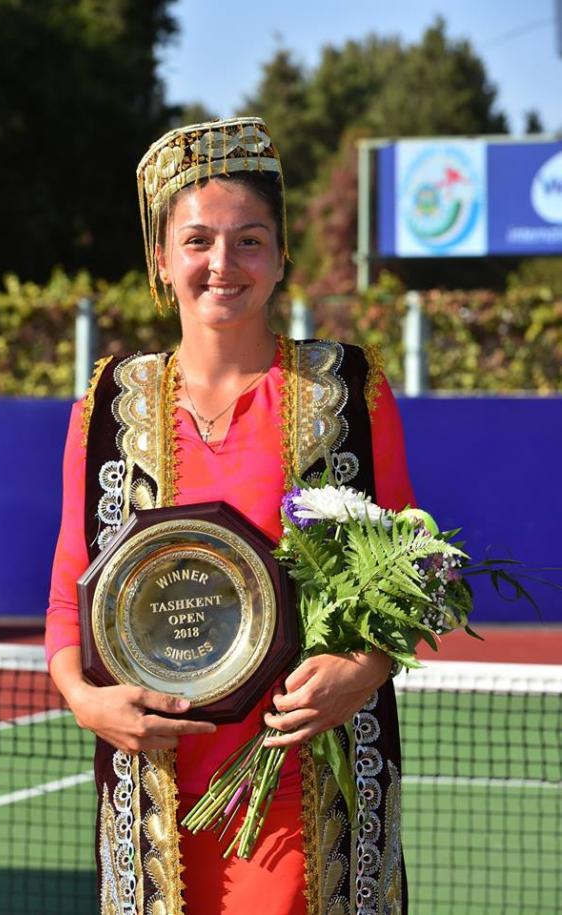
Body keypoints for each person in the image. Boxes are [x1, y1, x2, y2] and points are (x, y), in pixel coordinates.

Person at [46, 116, 415, 915]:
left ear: (282, 258)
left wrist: (361, 672)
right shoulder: (108, 404)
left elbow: (411, 579)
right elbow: (66, 599)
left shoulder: (347, 390)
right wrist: (86, 699)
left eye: (250, 240)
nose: (223, 264)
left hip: (310, 778)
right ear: (161, 260)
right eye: (198, 241)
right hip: (157, 787)